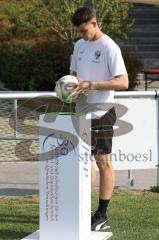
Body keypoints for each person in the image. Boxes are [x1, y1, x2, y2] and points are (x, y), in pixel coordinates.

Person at [70, 6, 128, 231]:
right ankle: (84, 210)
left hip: (102, 112)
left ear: (94, 23)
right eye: (79, 31)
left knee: (103, 162)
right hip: (81, 111)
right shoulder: (79, 45)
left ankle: (102, 215)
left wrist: (92, 85)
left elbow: (123, 82)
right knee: (83, 161)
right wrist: (72, 85)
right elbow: (74, 74)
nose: (82, 35)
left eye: (84, 30)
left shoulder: (109, 47)